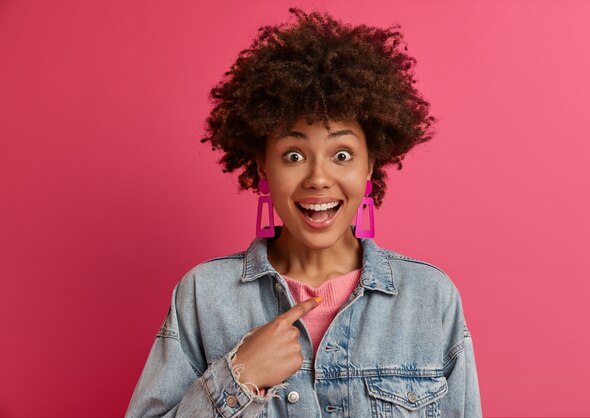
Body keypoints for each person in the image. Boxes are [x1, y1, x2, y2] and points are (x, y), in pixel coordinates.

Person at [126, 7, 482, 417]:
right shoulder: (204, 296)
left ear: (369, 165)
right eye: (293, 155)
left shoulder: (429, 298)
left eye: (342, 154)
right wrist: (238, 376)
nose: (318, 178)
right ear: (263, 166)